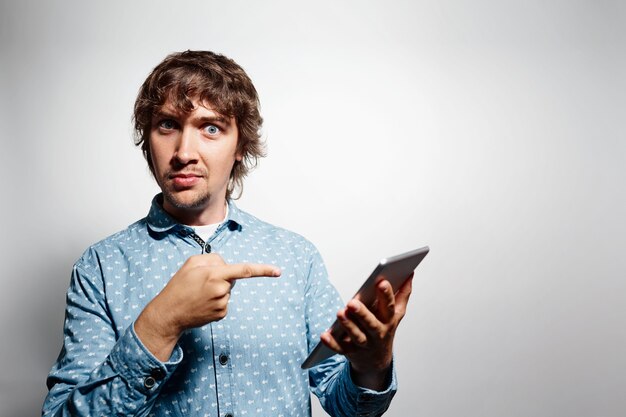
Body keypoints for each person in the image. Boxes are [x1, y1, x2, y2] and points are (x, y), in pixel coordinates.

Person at [43, 50, 413, 417]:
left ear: (240, 145)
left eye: (211, 128)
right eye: (168, 125)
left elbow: (350, 407)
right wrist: (161, 323)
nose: (184, 152)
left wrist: (371, 366)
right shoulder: (100, 268)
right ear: (148, 139)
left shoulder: (296, 257)